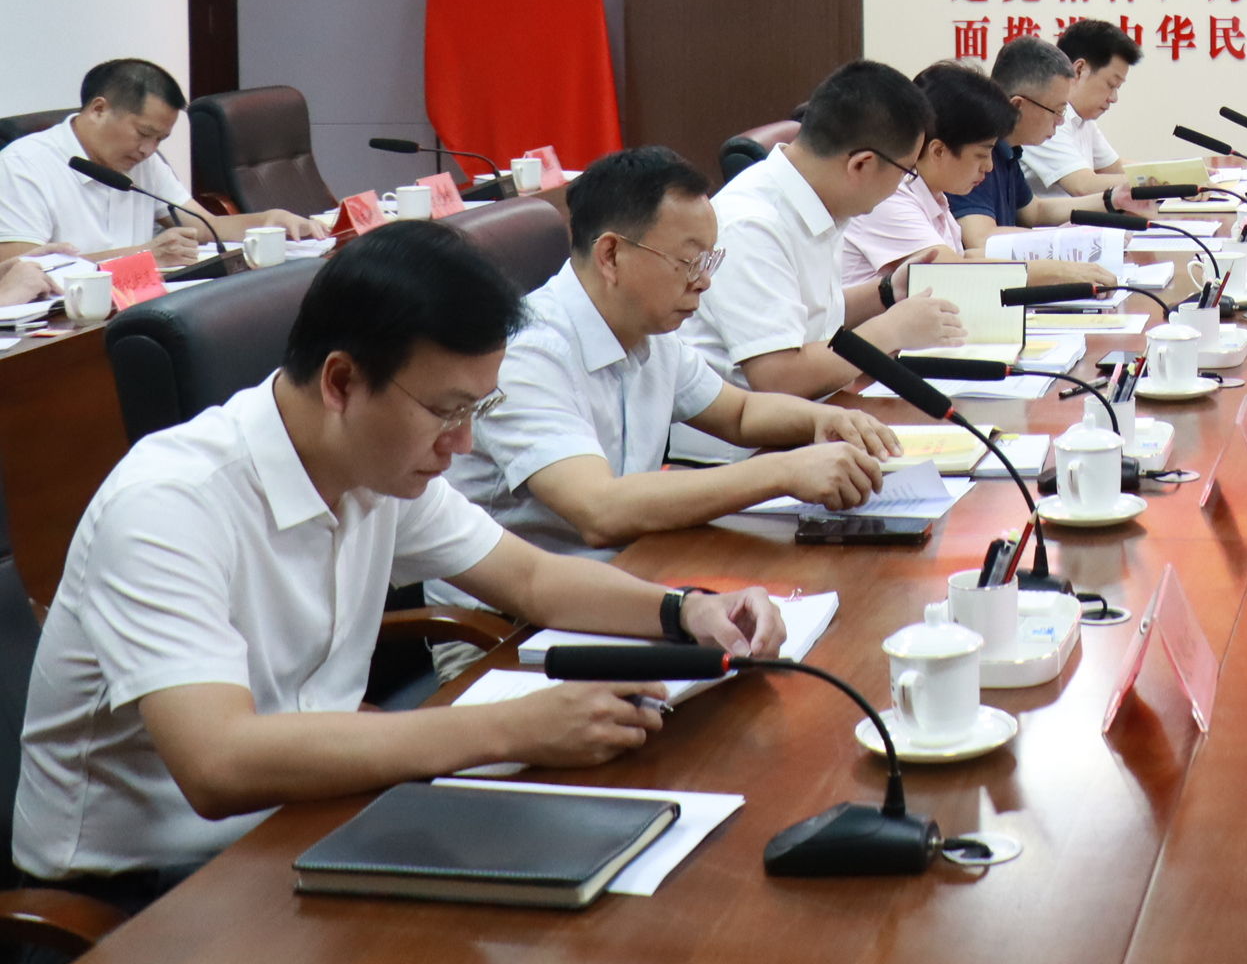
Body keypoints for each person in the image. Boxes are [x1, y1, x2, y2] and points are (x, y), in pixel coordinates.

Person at [12, 223, 785, 905]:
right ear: (342, 382)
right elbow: (219, 763)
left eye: (476, 409)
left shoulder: (373, 459)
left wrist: (686, 609)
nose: (464, 442)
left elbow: (531, 578)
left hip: (313, 813)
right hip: (147, 889)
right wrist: (508, 729)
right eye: (447, 410)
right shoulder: (169, 504)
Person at [441, 147, 901, 567]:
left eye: (709, 261)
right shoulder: (528, 354)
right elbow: (600, 510)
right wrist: (782, 471)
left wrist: (823, 421)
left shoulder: (647, 327)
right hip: (522, 613)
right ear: (610, 255)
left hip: (630, 566)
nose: (704, 282)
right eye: (688, 261)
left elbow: (739, 413)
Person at [683, 59, 965, 418]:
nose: (903, 185)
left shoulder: (817, 200)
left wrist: (887, 292)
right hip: (749, 444)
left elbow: (814, 318)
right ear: (861, 164)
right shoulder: (750, 224)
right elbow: (779, 377)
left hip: (822, 411)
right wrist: (892, 330)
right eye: (907, 172)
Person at [843, 61, 1147, 294]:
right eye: (981, 154)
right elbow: (950, 271)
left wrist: (1069, 255)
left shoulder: (933, 193)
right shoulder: (890, 197)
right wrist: (1057, 271)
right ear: (938, 151)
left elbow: (965, 256)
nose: (989, 167)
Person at [0, 59, 327, 265]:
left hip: (137, 304)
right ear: (99, 110)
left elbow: (202, 226)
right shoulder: (23, 165)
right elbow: (20, 269)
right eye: (144, 133)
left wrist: (269, 220)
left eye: (160, 139)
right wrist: (145, 256)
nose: (148, 150)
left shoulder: (141, 159)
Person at [950, 37, 1115, 243]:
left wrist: (1113, 199)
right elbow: (981, 238)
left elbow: (1035, 211)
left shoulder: (1008, 149)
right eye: (1057, 110)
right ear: (1018, 106)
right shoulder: (975, 150)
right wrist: (1063, 238)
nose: (1061, 120)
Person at [1019, 19, 1138, 203]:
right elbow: (1083, 185)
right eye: (1111, 84)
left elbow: (1114, 166)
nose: (1114, 98)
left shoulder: (1082, 118)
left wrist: (1175, 174)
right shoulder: (1044, 116)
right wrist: (1158, 182)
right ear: (1079, 70)